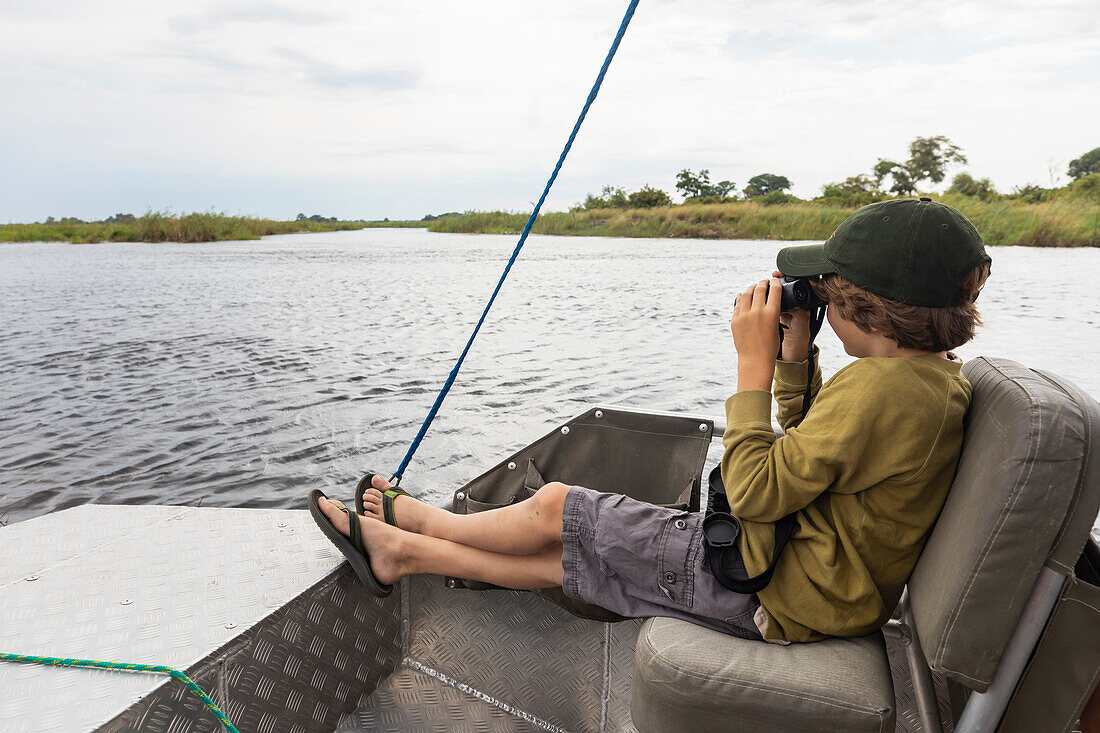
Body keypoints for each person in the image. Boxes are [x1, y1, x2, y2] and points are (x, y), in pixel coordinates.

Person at [309, 195, 991, 644]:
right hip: (813, 585)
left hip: (778, 588)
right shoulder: (927, 382)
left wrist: (751, 368)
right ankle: (407, 547)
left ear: (866, 304)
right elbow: (819, 455)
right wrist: (793, 361)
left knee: (555, 508)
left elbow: (756, 489)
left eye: (828, 291)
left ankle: (430, 525)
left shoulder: (882, 388)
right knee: (562, 558)